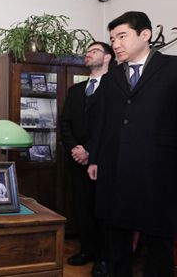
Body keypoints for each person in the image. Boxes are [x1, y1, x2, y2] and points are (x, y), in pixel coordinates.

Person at [87, 11, 177, 277]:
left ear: (145, 35)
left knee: (159, 238)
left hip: (159, 169)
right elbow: (100, 121)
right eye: (113, 38)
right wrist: (94, 158)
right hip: (116, 168)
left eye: (122, 36)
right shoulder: (111, 77)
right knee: (117, 236)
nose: (115, 44)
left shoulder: (173, 68)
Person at [60, 41, 115, 277]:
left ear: (107, 58)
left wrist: (90, 151)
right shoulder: (75, 90)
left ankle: (104, 258)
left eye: (94, 51)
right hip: (76, 160)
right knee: (81, 208)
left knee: (102, 210)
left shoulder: (115, 87)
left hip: (104, 160)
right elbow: (64, 124)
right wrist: (75, 149)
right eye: (87, 51)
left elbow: (110, 126)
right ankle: (87, 250)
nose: (88, 54)